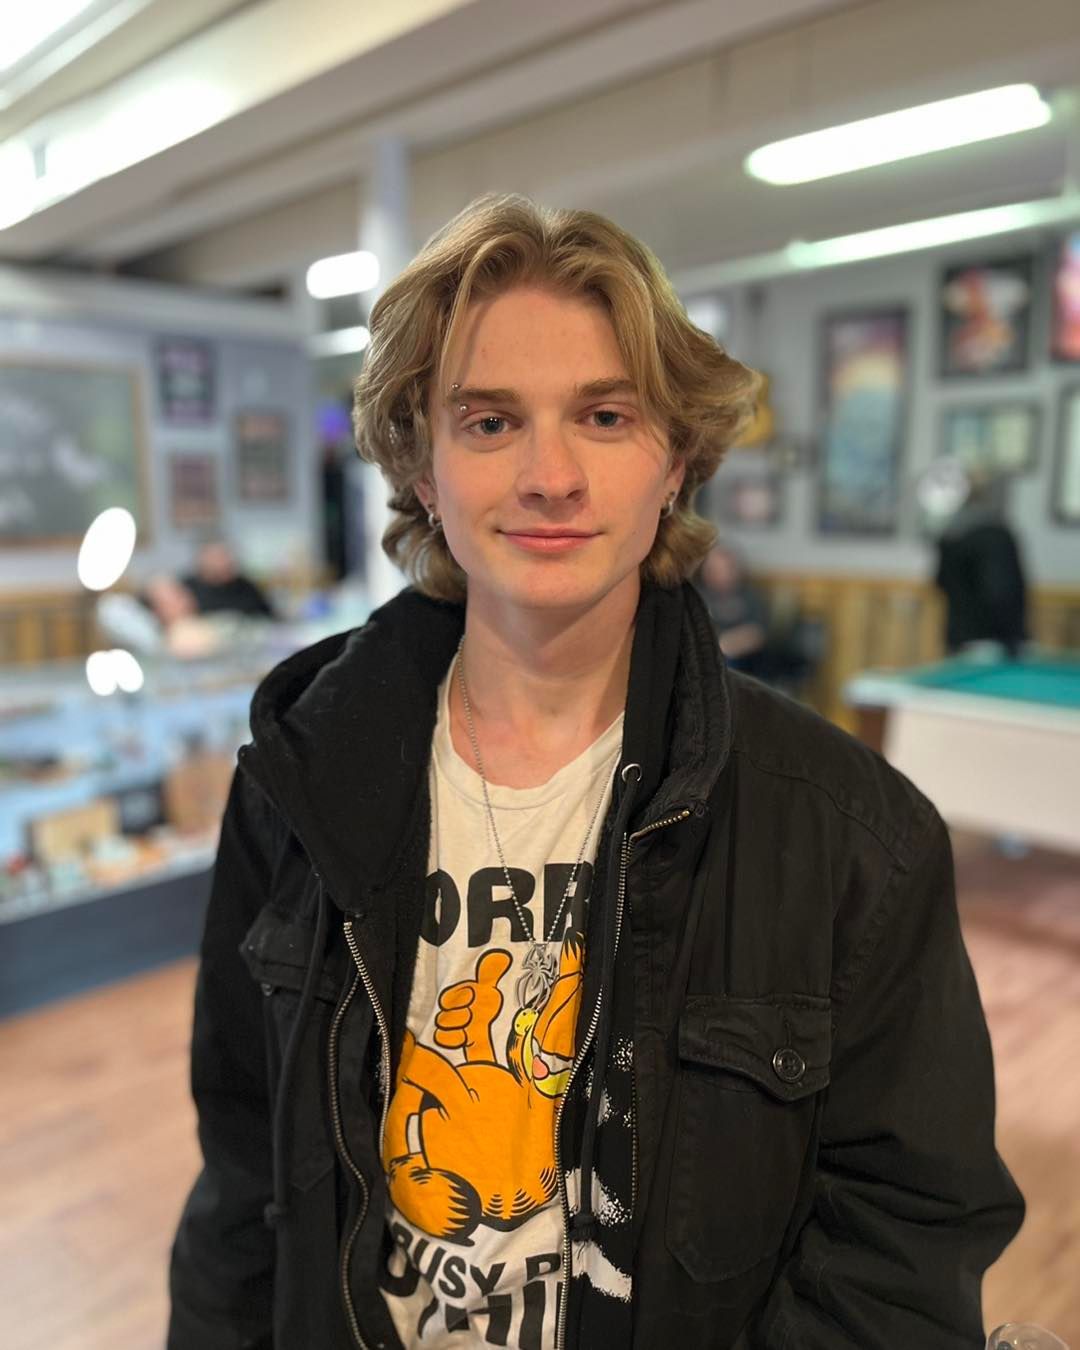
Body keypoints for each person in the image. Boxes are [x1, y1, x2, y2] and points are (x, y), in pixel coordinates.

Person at [168, 195, 1023, 1350]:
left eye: (606, 416)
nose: (550, 475)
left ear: (676, 462)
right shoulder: (296, 782)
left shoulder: (856, 836)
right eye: (489, 422)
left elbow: (904, 1239)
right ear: (423, 468)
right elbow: (241, 1178)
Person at [933, 470, 1028, 657]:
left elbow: (940, 581)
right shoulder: (996, 536)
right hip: (993, 641)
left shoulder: (950, 534)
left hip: (958, 637)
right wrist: (1012, 639)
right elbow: (1001, 591)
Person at [694, 541, 768, 673]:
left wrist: (729, 644)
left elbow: (758, 633)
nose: (723, 574)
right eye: (716, 569)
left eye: (727, 568)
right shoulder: (696, 596)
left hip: (743, 658)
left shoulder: (749, 595)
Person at [182, 539, 277, 619]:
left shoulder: (247, 587)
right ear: (202, 560)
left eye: (226, 556)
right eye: (217, 557)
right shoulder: (186, 590)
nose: (225, 562)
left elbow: (270, 618)